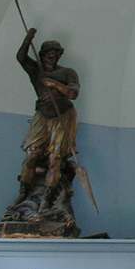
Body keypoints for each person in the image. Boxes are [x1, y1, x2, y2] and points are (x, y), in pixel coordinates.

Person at [14, 28, 81, 207]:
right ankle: (23, 193)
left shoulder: (68, 72)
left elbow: (73, 93)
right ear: (42, 55)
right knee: (31, 155)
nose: (52, 57)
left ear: (59, 56)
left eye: (55, 54)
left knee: (55, 158)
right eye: (48, 54)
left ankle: (47, 199)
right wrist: (28, 38)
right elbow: (21, 57)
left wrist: (54, 84)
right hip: (42, 115)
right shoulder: (36, 70)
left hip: (63, 115)